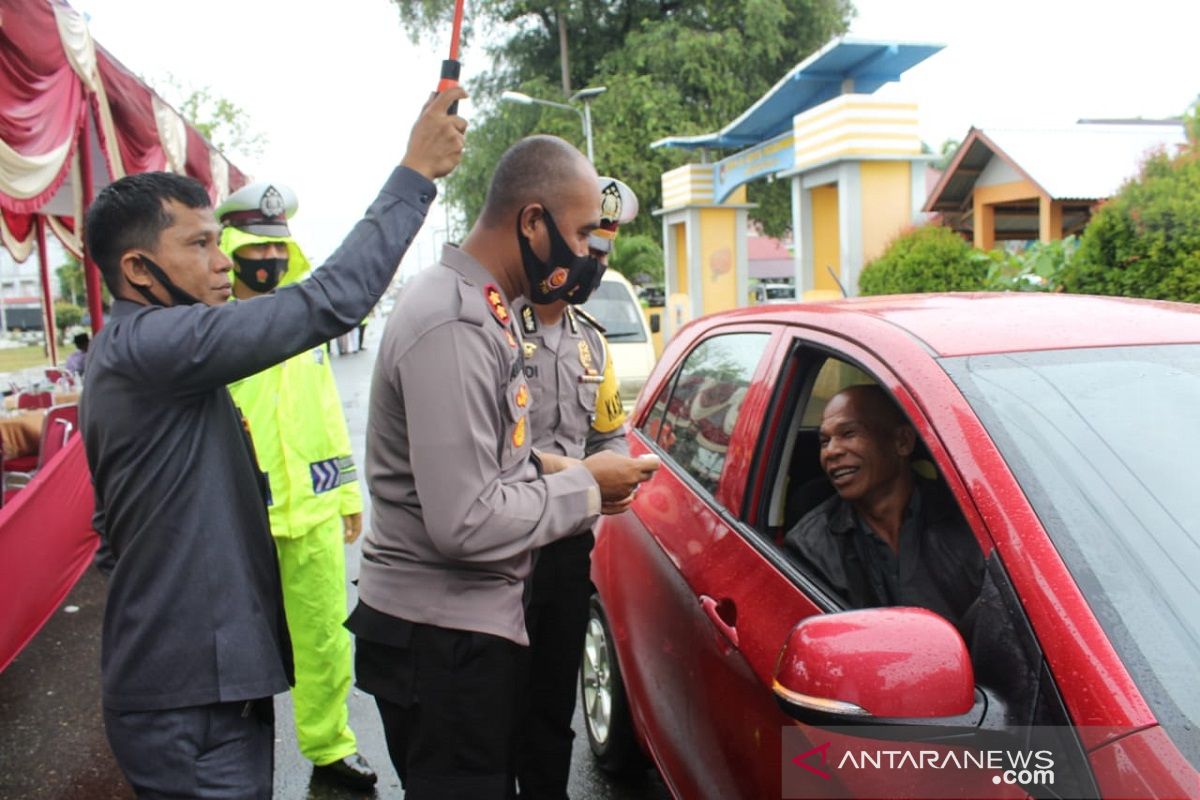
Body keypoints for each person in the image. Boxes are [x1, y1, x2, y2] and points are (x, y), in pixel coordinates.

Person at [80, 87, 466, 799]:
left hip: (203, 681)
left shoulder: (145, 353)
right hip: (188, 700)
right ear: (137, 269)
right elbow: (330, 300)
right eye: (201, 245)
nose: (227, 261)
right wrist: (414, 174)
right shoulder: (158, 345)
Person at [348, 135, 658, 800]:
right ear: (533, 221)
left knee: (536, 736)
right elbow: (464, 520)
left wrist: (554, 467)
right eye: (580, 233)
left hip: (469, 623)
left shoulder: (478, 309)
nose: (586, 254)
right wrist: (585, 485)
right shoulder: (459, 319)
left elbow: (495, 456)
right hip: (441, 639)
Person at [216, 182, 375, 791]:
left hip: (308, 512)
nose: (271, 260)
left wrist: (344, 493)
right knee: (237, 652)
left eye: (278, 249)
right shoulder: (209, 330)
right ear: (231, 249)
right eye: (256, 249)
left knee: (325, 638)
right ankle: (237, 762)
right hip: (238, 520)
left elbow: (325, 411)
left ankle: (330, 744)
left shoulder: (301, 324)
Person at [511, 176, 639, 800]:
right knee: (492, 709)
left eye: (603, 254)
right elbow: (484, 448)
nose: (592, 264)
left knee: (552, 706)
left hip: (566, 551)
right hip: (503, 547)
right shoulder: (497, 326)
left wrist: (614, 472)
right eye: (587, 245)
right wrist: (582, 475)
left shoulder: (592, 342)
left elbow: (610, 435)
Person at [783, 384, 983, 632]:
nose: (831, 451)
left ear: (902, 442)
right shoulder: (811, 547)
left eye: (848, 433)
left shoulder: (970, 520)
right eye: (824, 441)